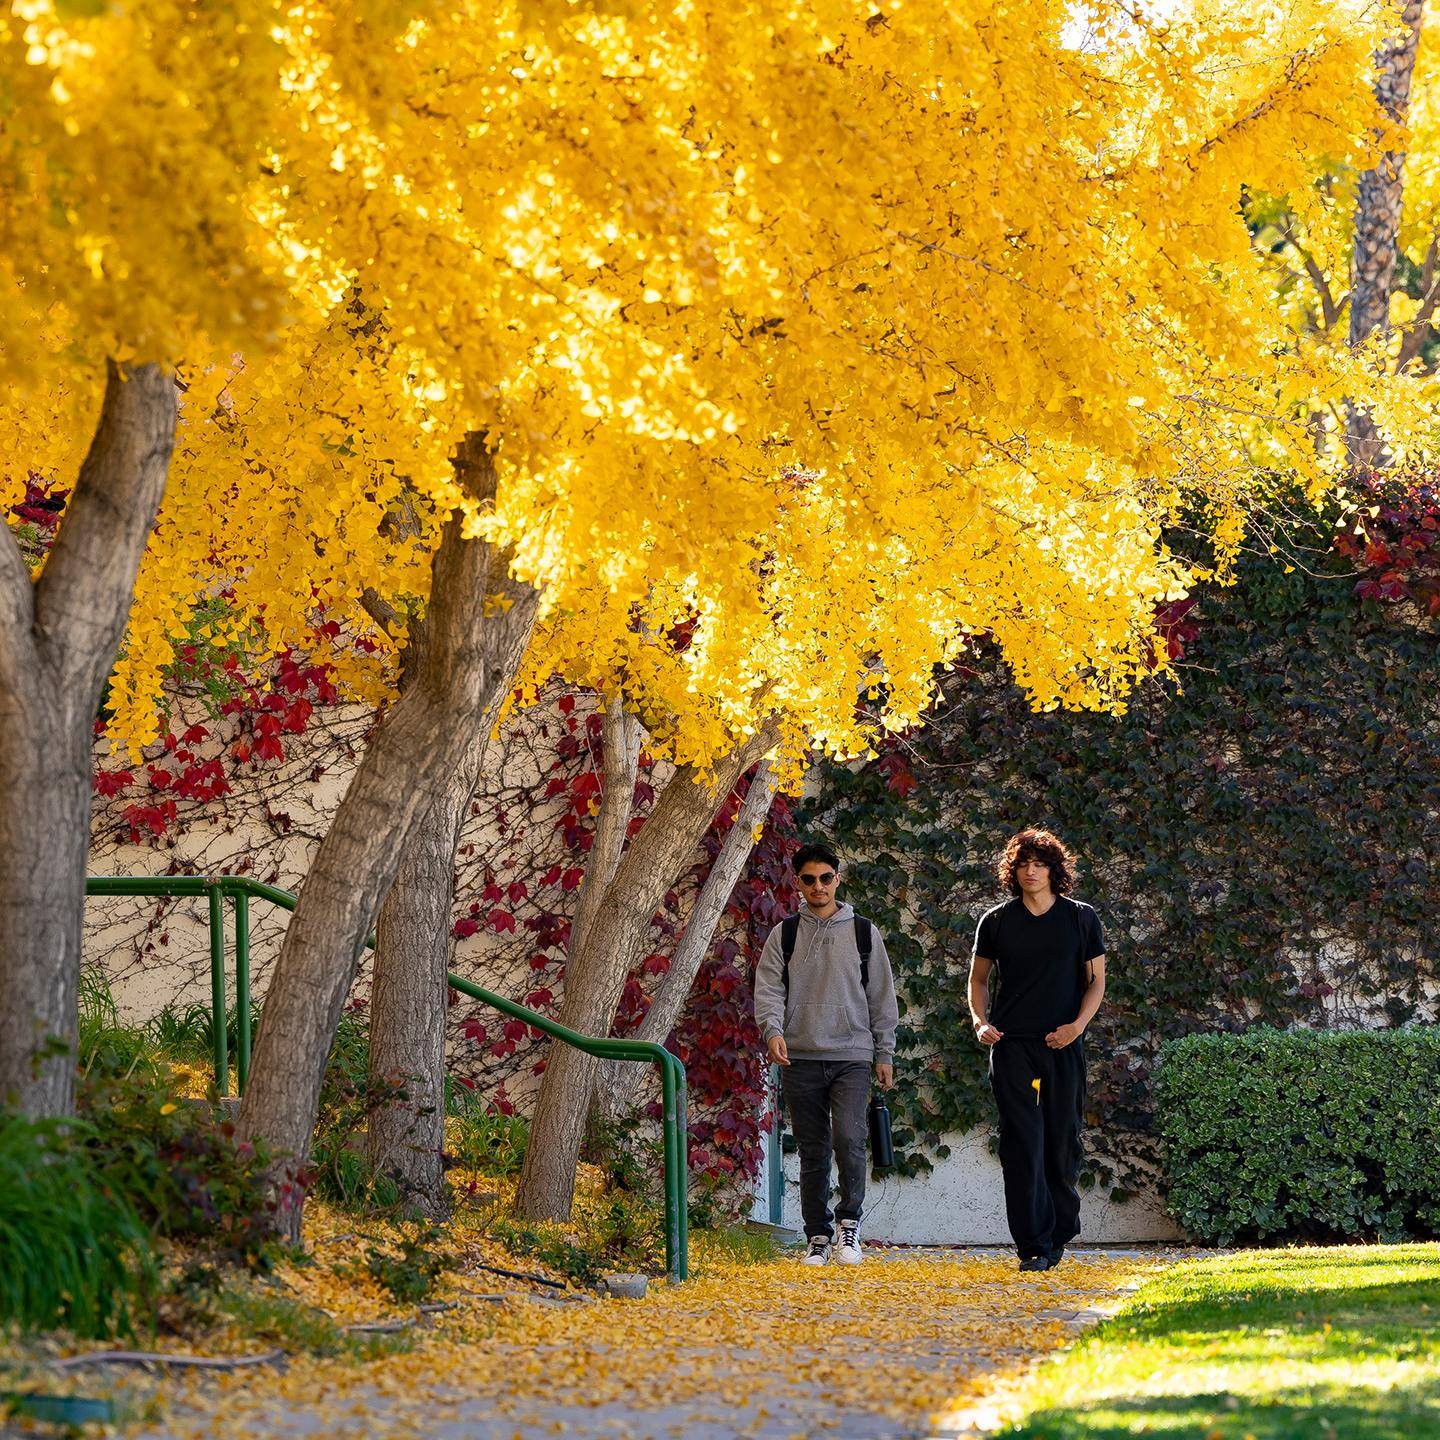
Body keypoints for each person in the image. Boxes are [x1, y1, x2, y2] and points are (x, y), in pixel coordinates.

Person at [754, 840, 898, 1267]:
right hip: (799, 1054)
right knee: (812, 1148)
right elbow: (768, 989)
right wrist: (772, 1031)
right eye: (809, 879)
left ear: (838, 877)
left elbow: (882, 996)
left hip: (852, 1054)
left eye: (826, 878)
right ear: (798, 883)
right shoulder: (786, 933)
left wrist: (884, 1053)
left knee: (850, 1140)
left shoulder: (862, 931)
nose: (818, 886)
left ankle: (848, 1226)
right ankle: (817, 1235)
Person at [969, 828, 1107, 1272]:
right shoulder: (996, 921)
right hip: (1011, 1045)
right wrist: (980, 1021)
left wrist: (1076, 1027)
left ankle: (1058, 1231)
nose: (1031, 870)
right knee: (1021, 1141)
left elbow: (1097, 982)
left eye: (1040, 863)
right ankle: (1032, 1244)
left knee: (1061, 1139)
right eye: (1023, 863)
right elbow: (978, 980)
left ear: (1054, 870)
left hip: (1062, 1043)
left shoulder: (1081, 919)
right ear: (1014, 869)